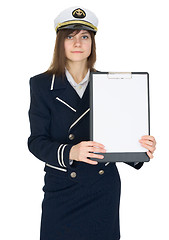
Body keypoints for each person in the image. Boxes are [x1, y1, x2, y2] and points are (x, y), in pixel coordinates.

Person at [28, 6, 156, 240]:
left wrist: (140, 147)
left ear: (92, 43)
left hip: (101, 189)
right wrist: (71, 151)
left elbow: (118, 135)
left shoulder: (112, 85)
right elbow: (36, 142)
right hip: (62, 188)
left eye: (84, 36)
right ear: (60, 43)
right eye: (70, 36)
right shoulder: (41, 85)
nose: (78, 43)